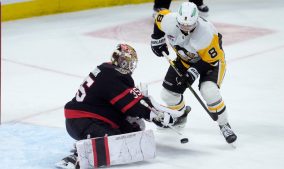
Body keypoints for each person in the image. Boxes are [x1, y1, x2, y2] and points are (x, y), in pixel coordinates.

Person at [56, 44, 185, 169]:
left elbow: (130, 101)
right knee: (116, 144)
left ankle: (88, 142)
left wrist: (152, 112)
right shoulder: (112, 75)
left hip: (86, 119)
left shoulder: (106, 69)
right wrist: (154, 115)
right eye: (126, 61)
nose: (128, 65)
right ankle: (76, 157)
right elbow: (132, 103)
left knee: (134, 128)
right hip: (83, 121)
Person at [150, 2, 237, 144]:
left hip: (211, 63)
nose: (185, 28)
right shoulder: (169, 20)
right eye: (182, 24)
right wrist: (156, 40)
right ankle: (180, 116)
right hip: (185, 60)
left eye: (189, 25)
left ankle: (224, 124)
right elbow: (158, 20)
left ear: (196, 21)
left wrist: (193, 72)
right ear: (177, 19)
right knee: (168, 94)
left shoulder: (206, 33)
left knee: (209, 91)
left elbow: (210, 60)